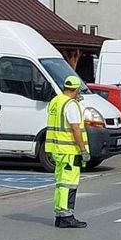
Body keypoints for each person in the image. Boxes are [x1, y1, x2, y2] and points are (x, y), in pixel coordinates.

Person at [46, 75, 89, 228]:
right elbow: (75, 128)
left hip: (56, 149)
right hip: (69, 150)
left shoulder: (56, 102)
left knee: (61, 183)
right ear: (76, 89)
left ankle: (60, 215)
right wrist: (83, 149)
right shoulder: (71, 105)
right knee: (68, 184)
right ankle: (66, 216)